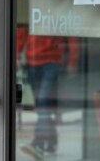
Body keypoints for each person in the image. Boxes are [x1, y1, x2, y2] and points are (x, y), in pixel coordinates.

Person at [16, 26, 79, 158]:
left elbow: (71, 33)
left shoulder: (56, 8)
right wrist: (17, 54)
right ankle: (51, 140)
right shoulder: (33, 7)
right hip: (32, 62)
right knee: (42, 105)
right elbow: (23, 29)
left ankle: (37, 144)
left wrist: (72, 61)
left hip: (52, 62)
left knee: (43, 104)